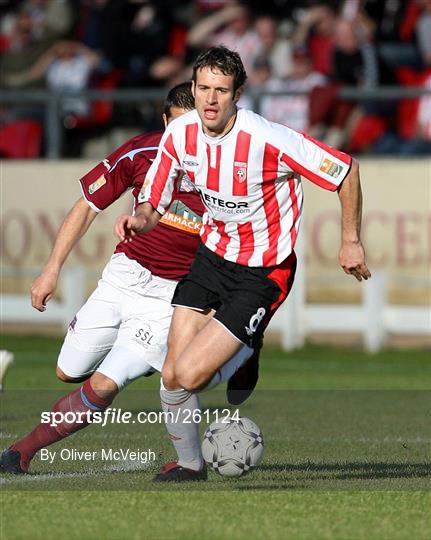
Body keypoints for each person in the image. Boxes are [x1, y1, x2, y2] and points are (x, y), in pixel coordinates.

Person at [115, 46, 371, 481]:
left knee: (191, 377)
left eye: (221, 90)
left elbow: (345, 171)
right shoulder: (180, 135)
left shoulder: (268, 139)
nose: (210, 100)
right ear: (192, 89)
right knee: (172, 374)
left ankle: (246, 350)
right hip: (211, 259)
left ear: (238, 94)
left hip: (263, 271)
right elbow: (154, 199)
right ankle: (191, 466)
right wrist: (139, 219)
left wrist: (350, 241)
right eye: (203, 89)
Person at [0, 82, 255, 480]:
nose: (186, 139)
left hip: (174, 297)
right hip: (122, 277)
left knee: (106, 383)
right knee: (69, 371)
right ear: (164, 123)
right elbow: (87, 207)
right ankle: (232, 350)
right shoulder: (141, 152)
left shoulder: (228, 169)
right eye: (177, 128)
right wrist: (52, 269)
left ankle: (21, 452)